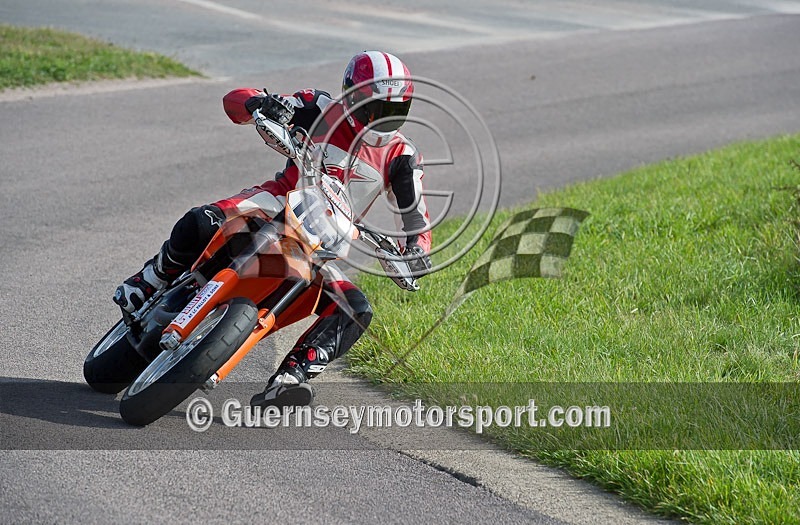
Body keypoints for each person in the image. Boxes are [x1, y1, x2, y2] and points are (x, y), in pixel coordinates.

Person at [113, 51, 432, 409]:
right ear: (350, 95)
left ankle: (290, 378)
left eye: (393, 111)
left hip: (322, 238)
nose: (380, 121)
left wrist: (417, 249)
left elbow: (416, 216)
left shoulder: (403, 155)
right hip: (277, 201)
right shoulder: (318, 107)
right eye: (373, 109)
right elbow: (235, 100)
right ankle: (150, 280)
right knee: (202, 220)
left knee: (356, 308)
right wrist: (260, 104)